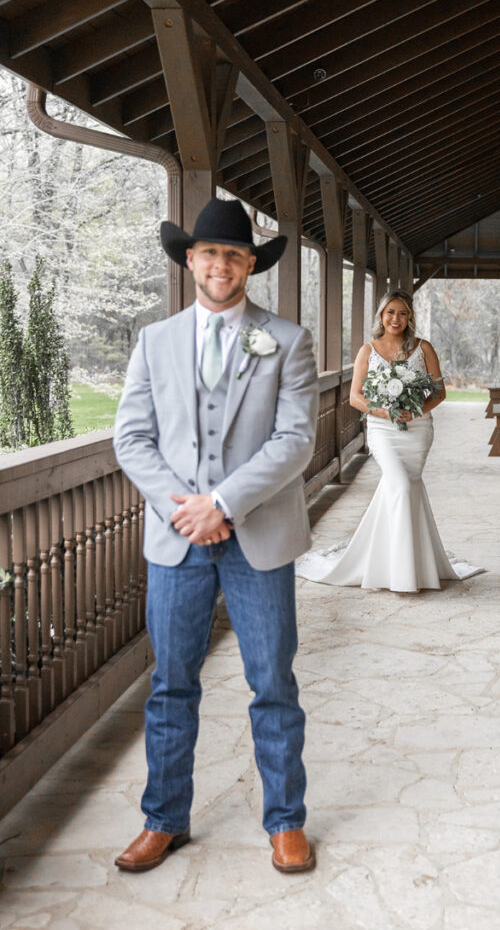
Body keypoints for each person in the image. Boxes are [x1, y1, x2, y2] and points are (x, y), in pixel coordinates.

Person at [113, 197, 318, 875]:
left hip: (256, 533)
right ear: (190, 261)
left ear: (249, 264)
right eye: (208, 253)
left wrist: (223, 502)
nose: (220, 265)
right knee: (172, 684)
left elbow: (295, 440)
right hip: (177, 540)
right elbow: (132, 439)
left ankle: (285, 821)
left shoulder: (287, 339)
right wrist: (186, 509)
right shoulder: (154, 341)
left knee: (272, 683)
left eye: (233, 254)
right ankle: (163, 820)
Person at [297, 289, 482, 593]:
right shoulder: (368, 350)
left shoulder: (424, 348)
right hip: (382, 430)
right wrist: (383, 412)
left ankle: (403, 562)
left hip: (418, 429)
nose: (396, 319)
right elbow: (355, 397)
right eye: (390, 312)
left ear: (410, 318)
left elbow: (439, 392)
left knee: (405, 486)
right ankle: (400, 569)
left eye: (403, 313)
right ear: (381, 316)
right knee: (400, 484)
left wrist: (416, 411)